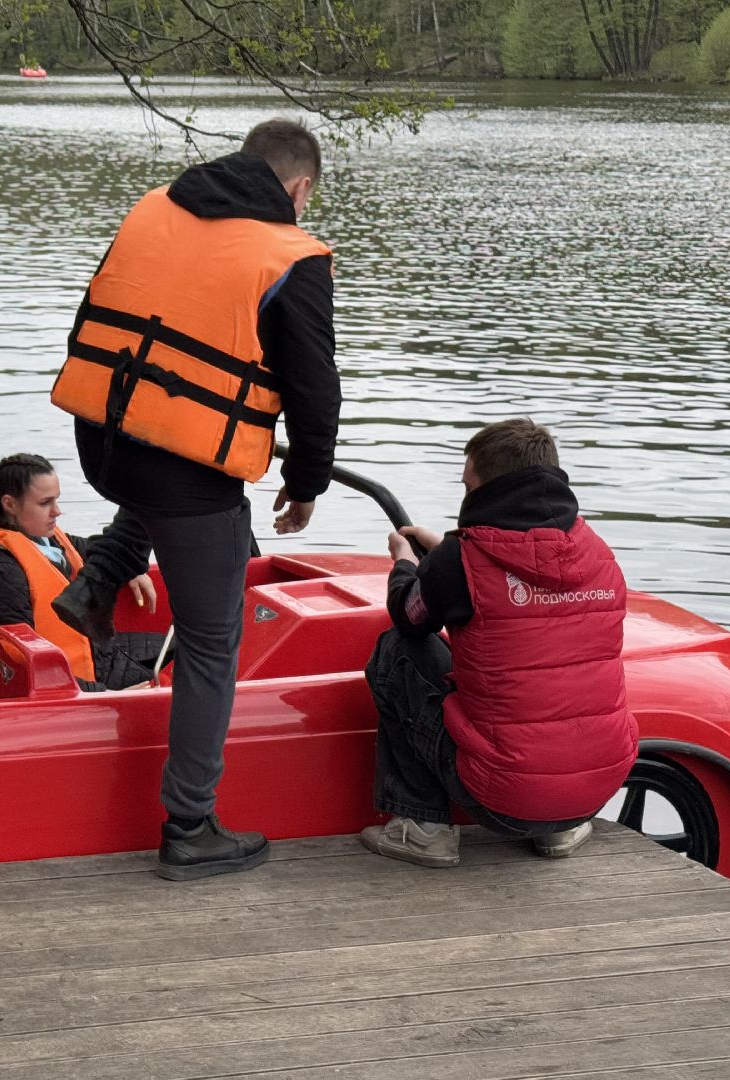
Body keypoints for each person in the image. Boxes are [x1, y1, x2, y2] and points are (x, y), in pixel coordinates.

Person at [49, 118, 341, 880]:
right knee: (214, 644)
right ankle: (190, 825)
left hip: (103, 442)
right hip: (180, 475)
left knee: (172, 456)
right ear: (299, 189)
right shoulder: (293, 256)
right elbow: (315, 392)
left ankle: (99, 578)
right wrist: (305, 484)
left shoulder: (153, 207)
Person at [360, 418, 638, 868]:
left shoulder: (458, 561)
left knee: (397, 653)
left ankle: (422, 829)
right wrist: (446, 550)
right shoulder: (598, 551)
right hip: (594, 794)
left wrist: (406, 565)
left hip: (499, 798)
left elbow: (410, 620)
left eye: (469, 486)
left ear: (490, 490)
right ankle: (560, 829)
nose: (465, 497)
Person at [0, 454, 163, 692]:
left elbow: (88, 548)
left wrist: (127, 566)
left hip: (98, 656)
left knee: (189, 647)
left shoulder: (40, 538)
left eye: (56, 500)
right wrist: (108, 696)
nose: (57, 511)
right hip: (73, 684)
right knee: (189, 669)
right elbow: (22, 665)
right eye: (45, 503)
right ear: (9, 504)